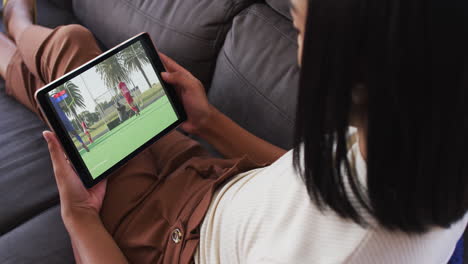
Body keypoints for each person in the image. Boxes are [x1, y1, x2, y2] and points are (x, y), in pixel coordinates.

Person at [0, 0, 467, 263]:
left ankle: (14, 26)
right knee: (79, 75)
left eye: (299, 30)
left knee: (70, 49)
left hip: (168, 238)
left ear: (350, 65)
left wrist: (80, 217)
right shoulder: (423, 144)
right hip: (212, 179)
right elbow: (304, 179)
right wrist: (209, 122)